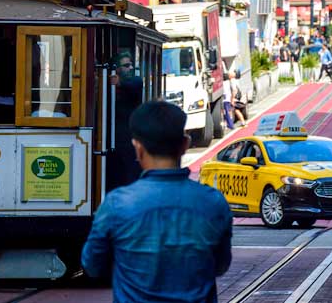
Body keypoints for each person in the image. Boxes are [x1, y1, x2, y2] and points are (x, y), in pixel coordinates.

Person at [81, 101, 233, 302]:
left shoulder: (117, 204)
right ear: (185, 144)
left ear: (138, 148)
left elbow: (92, 265)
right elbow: (221, 265)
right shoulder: (213, 203)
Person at [106, 51, 144, 191]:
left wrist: (119, 83)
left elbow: (136, 84)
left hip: (128, 141)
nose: (131, 68)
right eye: (126, 65)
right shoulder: (107, 84)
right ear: (117, 69)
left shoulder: (134, 82)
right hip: (111, 141)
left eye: (131, 65)